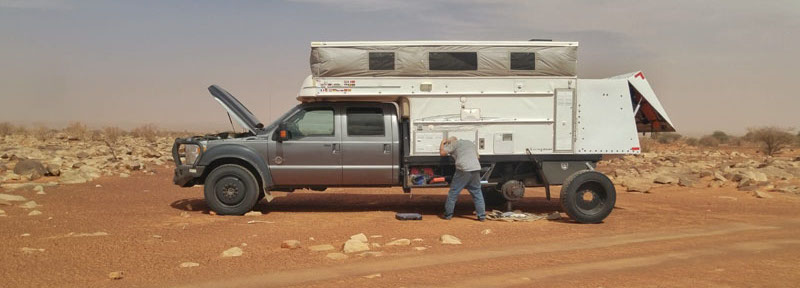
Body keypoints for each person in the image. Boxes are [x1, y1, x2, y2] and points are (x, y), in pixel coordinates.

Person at [440, 136, 486, 221]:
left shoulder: (454, 143)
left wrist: (442, 143)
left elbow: (442, 153)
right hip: (475, 168)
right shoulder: (470, 142)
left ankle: (448, 215)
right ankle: (482, 216)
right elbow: (478, 157)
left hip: (464, 169)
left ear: (450, 142)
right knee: (477, 192)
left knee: (453, 193)